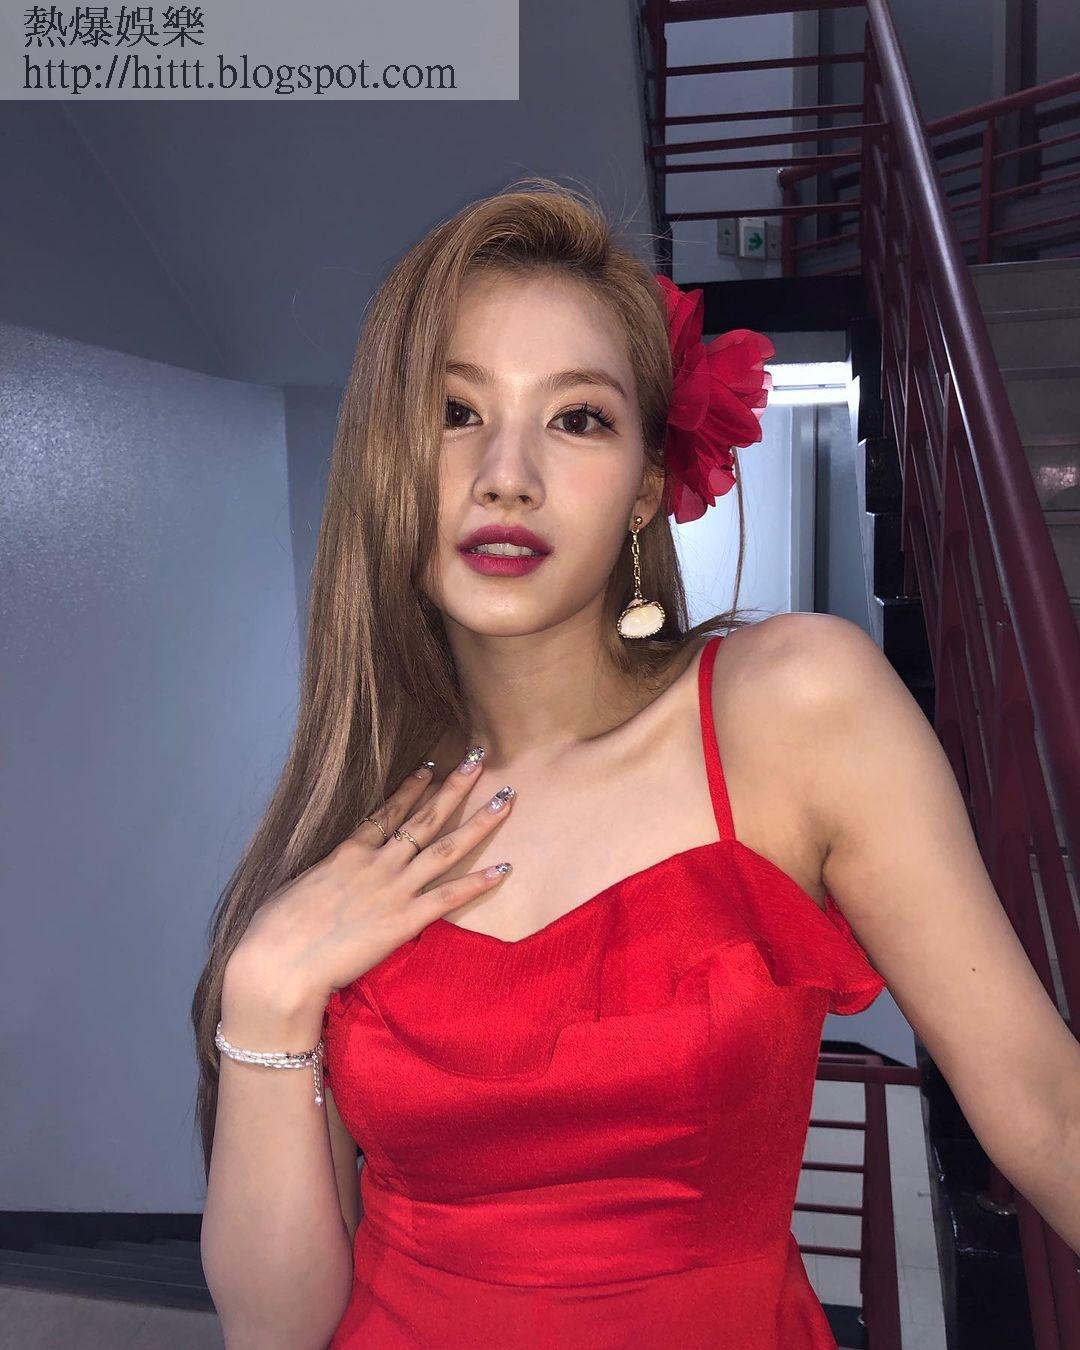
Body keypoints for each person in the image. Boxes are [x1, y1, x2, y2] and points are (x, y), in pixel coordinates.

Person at [194, 179, 1080, 1349]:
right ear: (384, 461)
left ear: (645, 490)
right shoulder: (362, 811)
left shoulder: (789, 709)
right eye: (455, 410)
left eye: (577, 419)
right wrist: (266, 994)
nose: (506, 472)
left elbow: (1049, 1113)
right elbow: (278, 1329)